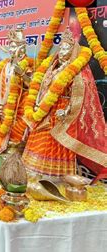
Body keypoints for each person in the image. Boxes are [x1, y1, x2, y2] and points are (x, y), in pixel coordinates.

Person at [22, 28, 107, 178]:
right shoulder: (52, 68)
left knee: (53, 144)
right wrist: (38, 103)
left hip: (61, 113)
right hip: (45, 109)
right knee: (38, 141)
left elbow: (80, 95)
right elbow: (41, 86)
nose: (62, 51)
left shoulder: (76, 71)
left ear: (73, 52)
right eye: (61, 48)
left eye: (67, 48)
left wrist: (67, 111)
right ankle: (32, 174)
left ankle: (53, 178)